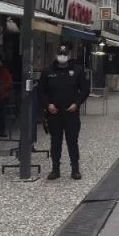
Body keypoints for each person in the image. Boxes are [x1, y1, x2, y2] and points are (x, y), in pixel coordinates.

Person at [38, 45, 90, 180]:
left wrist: (77, 104)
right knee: (55, 141)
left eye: (65, 53)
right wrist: (47, 104)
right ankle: (55, 169)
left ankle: (75, 169)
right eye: (60, 53)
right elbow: (41, 91)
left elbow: (85, 90)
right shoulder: (48, 71)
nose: (62, 56)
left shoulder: (77, 70)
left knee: (72, 141)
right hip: (54, 113)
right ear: (56, 55)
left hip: (71, 112)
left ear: (69, 54)